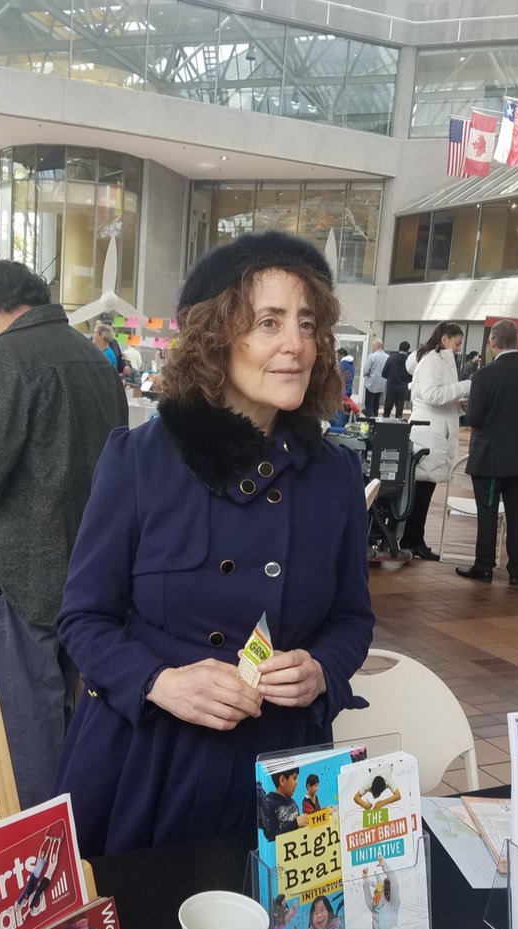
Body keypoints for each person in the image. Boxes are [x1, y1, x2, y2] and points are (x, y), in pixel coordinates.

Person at [52, 230, 375, 856]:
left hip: (283, 772)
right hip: (145, 765)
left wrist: (322, 670)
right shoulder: (141, 460)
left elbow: (351, 619)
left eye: (307, 325)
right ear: (215, 337)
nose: (296, 345)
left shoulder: (334, 475)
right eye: (269, 323)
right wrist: (158, 681)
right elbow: (83, 618)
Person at [0, 258, 129, 808]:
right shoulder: (93, 358)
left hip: (17, 568)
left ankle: (42, 867)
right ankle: (77, 839)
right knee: (68, 713)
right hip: (86, 564)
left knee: (24, 726)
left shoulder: (4, 357)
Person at [456, 319, 518, 586]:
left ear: (491, 343)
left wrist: (467, 405)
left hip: (491, 456)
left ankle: (484, 566)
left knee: (488, 512)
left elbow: (474, 418)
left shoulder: (484, 375)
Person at [399, 322, 471, 561]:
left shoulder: (438, 360)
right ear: (444, 340)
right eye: (457, 343)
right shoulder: (432, 360)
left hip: (434, 430)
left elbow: (438, 397)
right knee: (421, 490)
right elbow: (431, 395)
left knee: (423, 490)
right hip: (429, 433)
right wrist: (464, 387)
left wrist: (458, 405)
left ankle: (413, 539)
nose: (459, 348)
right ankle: (413, 539)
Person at [257, 766, 310, 840]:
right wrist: (295, 823)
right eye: (294, 778)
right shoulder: (269, 804)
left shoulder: (293, 803)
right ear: (282, 780)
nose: (296, 783)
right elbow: (271, 837)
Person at [362, 856, 400, 929]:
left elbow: (394, 882)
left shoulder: (393, 906)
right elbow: (368, 898)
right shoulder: (374, 908)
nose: (376, 895)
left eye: (380, 892)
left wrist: (384, 865)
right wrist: (365, 879)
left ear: (388, 893)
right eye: (376, 892)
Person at [381, 340, 412, 419]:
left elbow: (384, 373)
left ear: (399, 348)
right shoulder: (409, 361)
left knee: (387, 410)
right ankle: (398, 427)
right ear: (408, 349)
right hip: (403, 388)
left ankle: (384, 426)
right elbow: (411, 376)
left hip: (391, 387)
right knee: (399, 411)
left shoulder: (391, 359)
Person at [361, 339, 389, 417]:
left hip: (371, 384)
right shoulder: (387, 357)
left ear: (376, 346)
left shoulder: (372, 356)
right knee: (376, 405)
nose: (372, 347)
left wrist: (366, 374)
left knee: (369, 405)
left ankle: (371, 421)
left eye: (373, 346)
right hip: (381, 384)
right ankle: (375, 420)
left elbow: (366, 370)